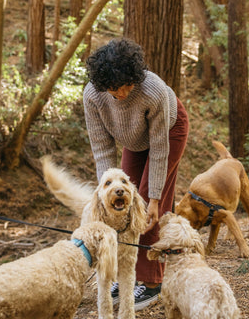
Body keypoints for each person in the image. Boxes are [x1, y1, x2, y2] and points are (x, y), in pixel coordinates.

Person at [83, 37, 189, 311]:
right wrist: (104, 192)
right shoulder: (93, 96)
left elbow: (159, 150)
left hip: (169, 132)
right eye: (113, 89)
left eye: (125, 87)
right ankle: (125, 274)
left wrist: (154, 198)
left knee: (143, 206)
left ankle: (152, 282)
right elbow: (102, 149)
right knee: (122, 205)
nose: (120, 95)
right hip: (134, 139)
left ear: (134, 76)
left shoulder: (152, 91)